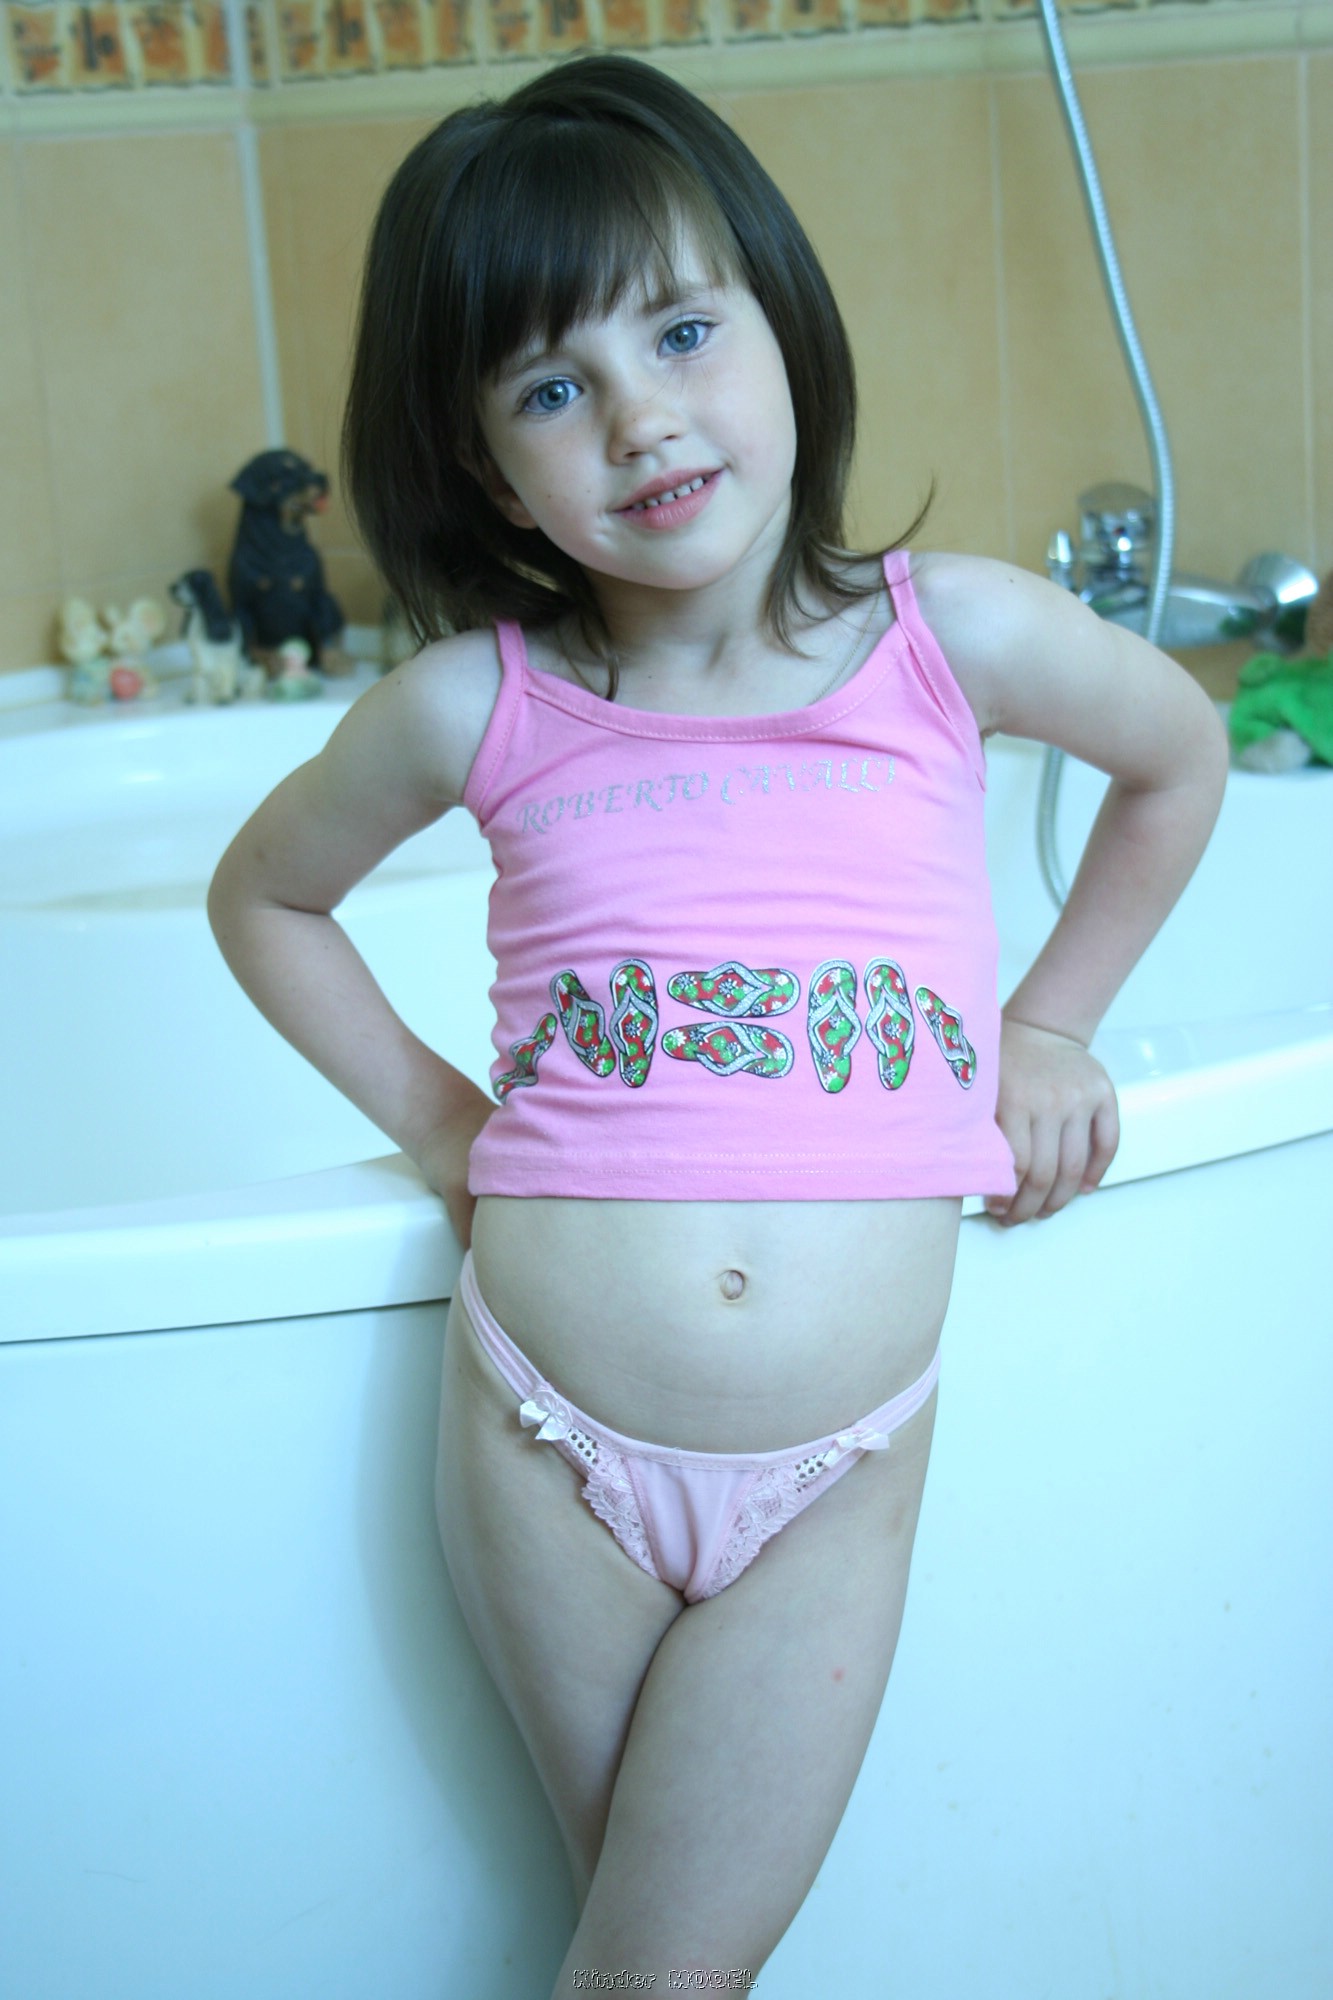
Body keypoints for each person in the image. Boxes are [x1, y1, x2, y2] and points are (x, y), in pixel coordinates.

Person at [207, 53, 1228, 1994]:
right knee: (646, 1965)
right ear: (482, 467)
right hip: (542, 1436)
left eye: (681, 331)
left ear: (781, 319)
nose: (641, 416)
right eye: (549, 388)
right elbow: (264, 895)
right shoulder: (476, 703)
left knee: (652, 1971)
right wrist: (439, 1121)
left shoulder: (951, 639)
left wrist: (1047, 1022)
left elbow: (1177, 757)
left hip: (834, 1473)